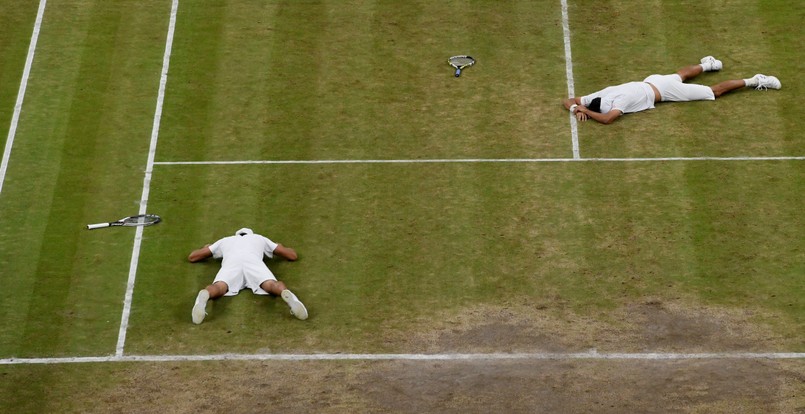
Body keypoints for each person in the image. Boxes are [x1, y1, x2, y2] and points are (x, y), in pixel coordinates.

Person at [562, 56, 781, 124]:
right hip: (653, 80)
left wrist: (584, 111)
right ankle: (709, 64)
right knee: (681, 74)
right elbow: (569, 99)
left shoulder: (618, 102)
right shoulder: (601, 93)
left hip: (666, 93)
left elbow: (607, 119)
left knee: (714, 92)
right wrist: (576, 107)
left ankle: (755, 80)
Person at [188, 227, 308, 324]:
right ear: (251, 234)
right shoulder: (259, 238)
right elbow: (292, 255)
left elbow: (193, 257)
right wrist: (280, 246)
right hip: (253, 261)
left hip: (232, 262)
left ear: (236, 235)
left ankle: (205, 295)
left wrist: (205, 248)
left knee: (219, 287)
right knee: (271, 285)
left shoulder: (225, 240)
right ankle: (289, 296)